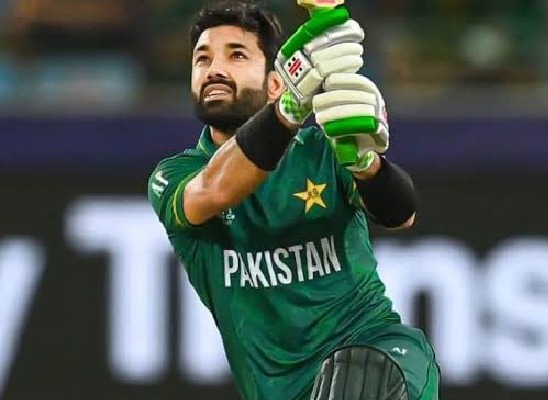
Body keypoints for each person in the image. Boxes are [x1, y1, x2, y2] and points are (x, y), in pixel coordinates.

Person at [147, 1, 440, 399]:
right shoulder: (175, 176)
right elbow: (214, 190)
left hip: (377, 353)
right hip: (280, 390)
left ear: (275, 83)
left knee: (358, 373)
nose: (214, 68)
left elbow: (401, 213)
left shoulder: (321, 149)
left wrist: (365, 163)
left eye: (236, 55)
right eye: (203, 58)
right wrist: (289, 109)